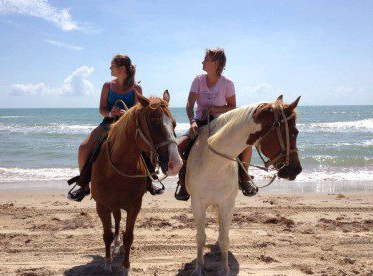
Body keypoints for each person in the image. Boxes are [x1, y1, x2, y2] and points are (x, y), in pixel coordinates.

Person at [68, 54, 162, 202]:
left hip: (129, 126)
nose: (110, 68)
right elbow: (102, 109)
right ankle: (84, 185)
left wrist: (127, 114)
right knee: (83, 148)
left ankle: (149, 182)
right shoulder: (107, 86)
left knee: (146, 148)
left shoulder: (136, 88)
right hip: (109, 122)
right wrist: (111, 113)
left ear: (122, 68)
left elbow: (140, 111)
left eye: (112, 65)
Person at [175, 48, 256, 201]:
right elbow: (189, 104)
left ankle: (244, 180)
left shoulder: (228, 83)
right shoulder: (198, 80)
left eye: (206, 59)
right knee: (179, 146)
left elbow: (233, 106)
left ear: (215, 63)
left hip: (222, 123)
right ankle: (183, 183)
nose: (202, 62)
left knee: (246, 145)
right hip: (199, 123)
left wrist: (218, 108)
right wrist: (192, 122)